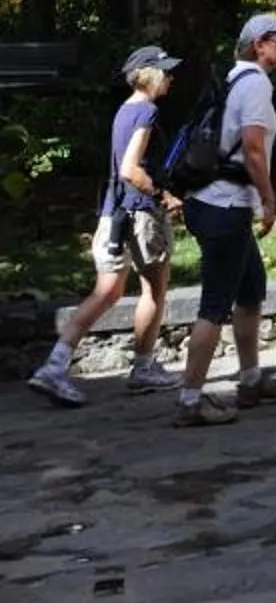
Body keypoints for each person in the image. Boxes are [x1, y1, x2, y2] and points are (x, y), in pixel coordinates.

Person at [26, 47, 183, 405]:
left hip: (114, 214)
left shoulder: (124, 110)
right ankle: (143, 368)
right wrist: (164, 196)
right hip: (141, 214)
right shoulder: (147, 111)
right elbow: (130, 169)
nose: (171, 78)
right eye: (166, 72)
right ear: (149, 74)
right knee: (154, 290)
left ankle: (55, 365)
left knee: (106, 292)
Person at [175, 11, 276, 428]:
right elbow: (253, 149)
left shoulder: (233, 78)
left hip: (209, 201)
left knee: (251, 289)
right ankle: (189, 401)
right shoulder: (257, 83)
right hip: (225, 206)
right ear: (256, 45)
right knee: (215, 304)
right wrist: (268, 198)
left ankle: (251, 381)